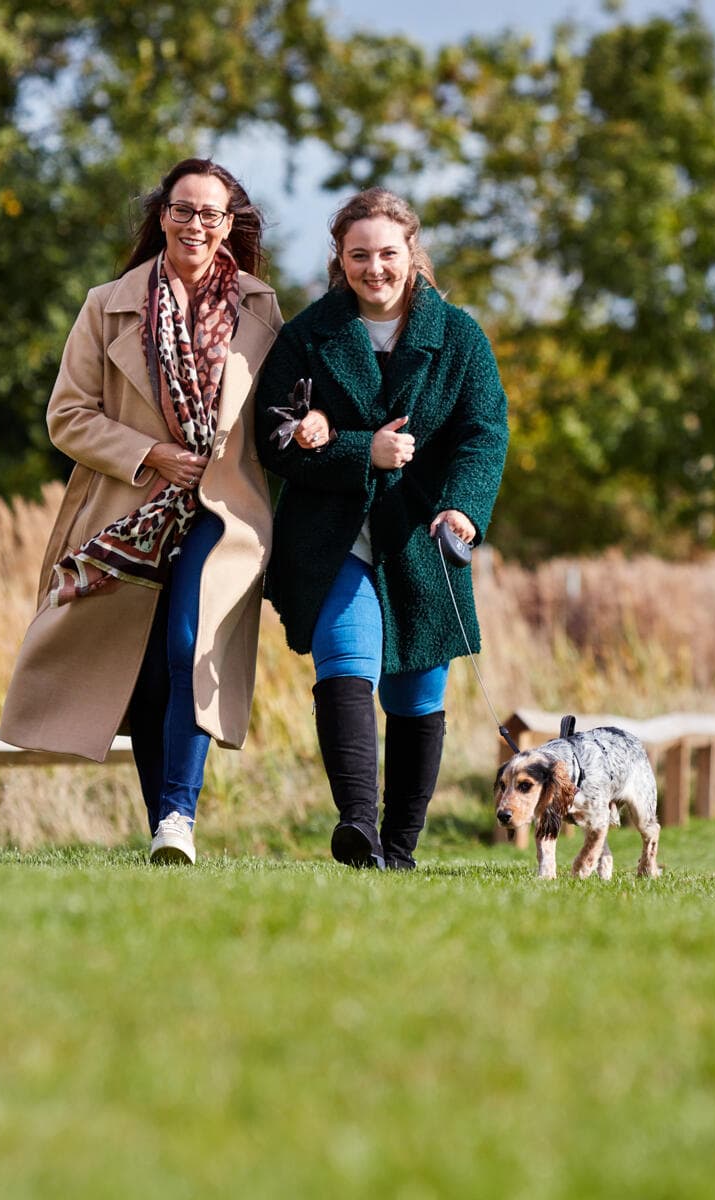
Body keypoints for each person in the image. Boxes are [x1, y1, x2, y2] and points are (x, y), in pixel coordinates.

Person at [0, 159, 283, 865]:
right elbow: (67, 416)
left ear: (228, 224)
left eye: (210, 214)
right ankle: (166, 822)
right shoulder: (108, 304)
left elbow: (282, 406)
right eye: (183, 210)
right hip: (131, 510)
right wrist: (151, 453)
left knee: (191, 643)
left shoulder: (260, 306)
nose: (195, 225)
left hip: (224, 513)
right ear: (161, 216)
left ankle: (177, 818)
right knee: (148, 672)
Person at [255, 188, 508, 870]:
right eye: (359, 254)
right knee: (345, 665)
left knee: (418, 696)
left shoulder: (459, 336)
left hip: (421, 539)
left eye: (388, 254)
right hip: (332, 540)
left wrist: (463, 507)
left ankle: (399, 849)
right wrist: (355, 450)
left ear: (412, 255)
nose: (375, 268)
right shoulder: (308, 335)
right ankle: (358, 828)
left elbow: (484, 436)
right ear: (340, 259)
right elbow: (272, 439)